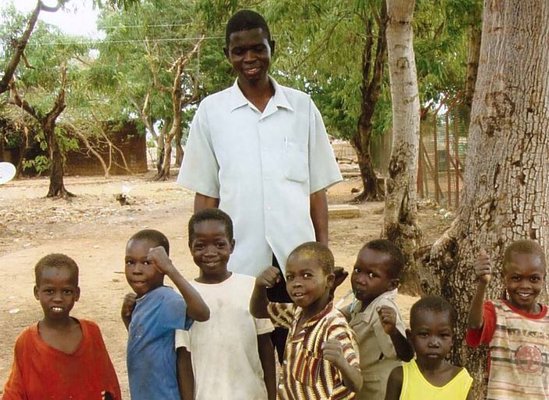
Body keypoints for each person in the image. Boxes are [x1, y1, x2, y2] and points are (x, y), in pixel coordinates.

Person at [177, 9, 342, 361]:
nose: (249, 58)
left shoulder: (302, 108)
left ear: (272, 48)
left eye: (258, 48)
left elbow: (316, 191)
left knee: (302, 357)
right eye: (239, 51)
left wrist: (323, 258)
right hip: (238, 264)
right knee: (245, 355)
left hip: (297, 262)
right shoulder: (211, 112)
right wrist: (207, 260)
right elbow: (206, 194)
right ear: (228, 55)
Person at [174, 208, 276, 399]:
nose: (210, 252)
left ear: (232, 245)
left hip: (250, 394)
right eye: (200, 245)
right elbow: (183, 358)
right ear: (190, 247)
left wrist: (271, 395)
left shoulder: (251, 287)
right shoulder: (183, 297)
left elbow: (265, 347)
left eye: (220, 244)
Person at [251, 241, 362, 399]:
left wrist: (341, 363)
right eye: (290, 277)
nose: (296, 283)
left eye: (307, 275)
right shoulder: (296, 313)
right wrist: (259, 286)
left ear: (329, 280)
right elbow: (259, 311)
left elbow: (357, 383)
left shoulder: (334, 327)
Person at [2, 253, 121, 400]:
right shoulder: (27, 342)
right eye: (49, 291)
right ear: (36, 292)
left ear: (77, 294)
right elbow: (15, 392)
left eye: (66, 291)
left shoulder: (91, 332)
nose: (58, 298)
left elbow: (109, 384)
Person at [121, 229, 209, 400]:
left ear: (162, 265)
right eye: (130, 262)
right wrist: (127, 319)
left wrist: (171, 270)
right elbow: (144, 342)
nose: (136, 270)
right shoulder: (143, 300)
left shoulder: (165, 299)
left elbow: (202, 312)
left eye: (146, 263)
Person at [466, 240, 548, 399]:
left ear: (543, 278)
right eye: (516, 278)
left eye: (534, 279)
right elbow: (475, 324)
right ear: (504, 278)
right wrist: (482, 284)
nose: (525, 286)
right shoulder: (497, 312)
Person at [340, 239, 413, 399]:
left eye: (372, 275)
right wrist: (329, 288)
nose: (360, 279)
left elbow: (403, 354)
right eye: (358, 270)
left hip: (380, 390)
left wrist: (393, 331)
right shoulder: (362, 301)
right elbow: (336, 317)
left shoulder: (384, 308)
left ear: (391, 285)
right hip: (363, 385)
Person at [385, 296, 473, 400]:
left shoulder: (462, 380)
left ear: (452, 340)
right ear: (410, 337)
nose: (434, 343)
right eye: (424, 334)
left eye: (443, 335)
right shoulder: (401, 377)